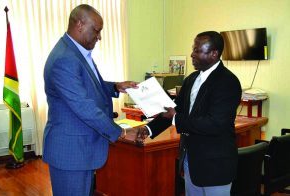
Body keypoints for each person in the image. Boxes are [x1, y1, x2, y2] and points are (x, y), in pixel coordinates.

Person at [43, 4, 138, 196]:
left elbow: (89, 84)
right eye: (96, 30)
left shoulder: (76, 52)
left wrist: (115, 86)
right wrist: (120, 133)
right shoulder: (65, 58)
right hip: (71, 151)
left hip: (81, 148)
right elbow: (83, 105)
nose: (99, 36)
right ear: (79, 25)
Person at [137, 31, 242, 196]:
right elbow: (174, 109)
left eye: (198, 50)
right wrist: (149, 129)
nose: (192, 54)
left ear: (214, 53)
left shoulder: (228, 82)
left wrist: (175, 118)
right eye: (193, 49)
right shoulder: (191, 79)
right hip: (190, 161)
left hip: (215, 166)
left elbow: (215, 124)